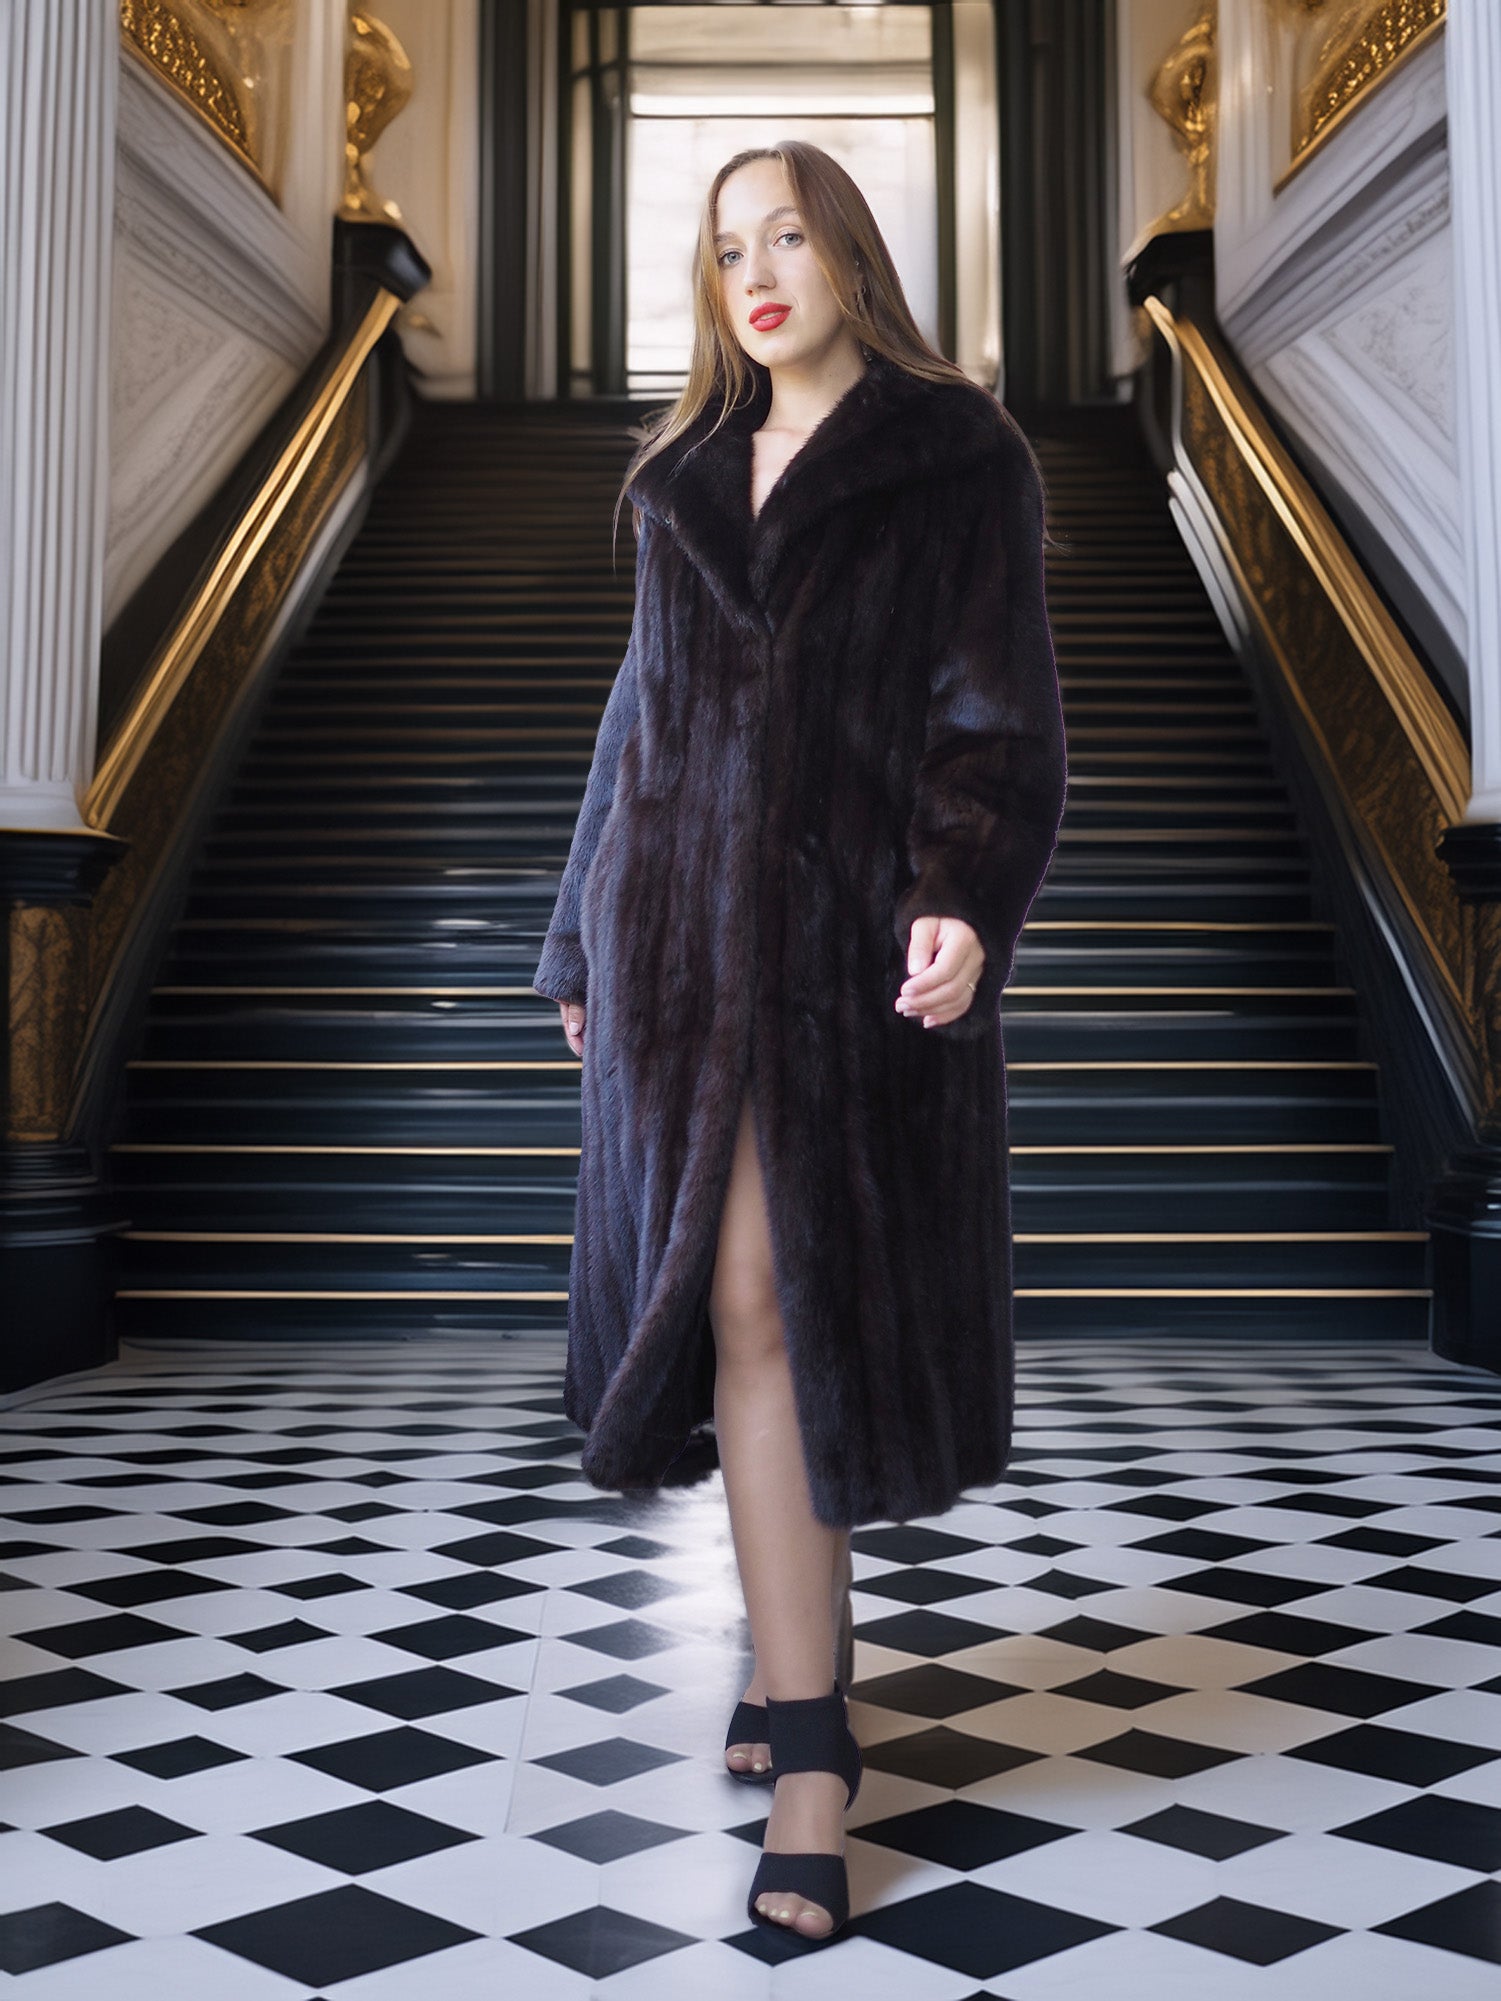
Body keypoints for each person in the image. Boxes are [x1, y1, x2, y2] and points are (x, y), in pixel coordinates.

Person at [532, 139, 1067, 1948]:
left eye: (787, 235)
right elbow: (636, 727)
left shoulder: (954, 454)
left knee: (775, 1298)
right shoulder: (682, 475)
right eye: (725, 245)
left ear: (849, 249)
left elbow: (990, 713)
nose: (756, 271)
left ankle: (817, 1750)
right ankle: (790, 1676)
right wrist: (576, 933)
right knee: (734, 1304)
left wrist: (960, 892)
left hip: (843, 962)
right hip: (674, 955)